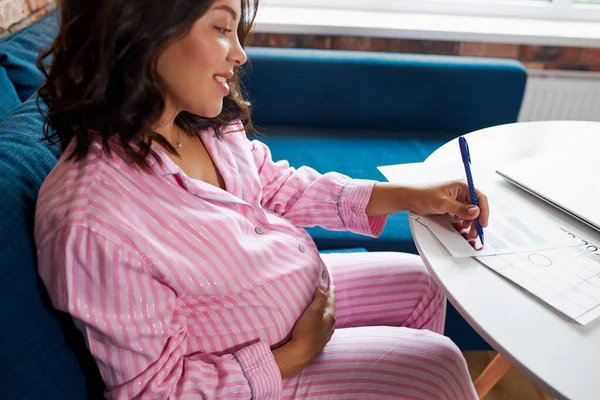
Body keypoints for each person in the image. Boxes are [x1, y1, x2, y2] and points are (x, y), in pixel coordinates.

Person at [34, 0, 489, 398]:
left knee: (421, 282)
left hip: (299, 299)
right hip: (270, 368)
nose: (240, 53)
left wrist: (409, 196)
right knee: (438, 367)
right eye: (220, 27)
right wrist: (294, 355)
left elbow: (273, 185)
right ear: (142, 30)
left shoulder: (194, 119)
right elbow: (156, 391)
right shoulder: (94, 224)